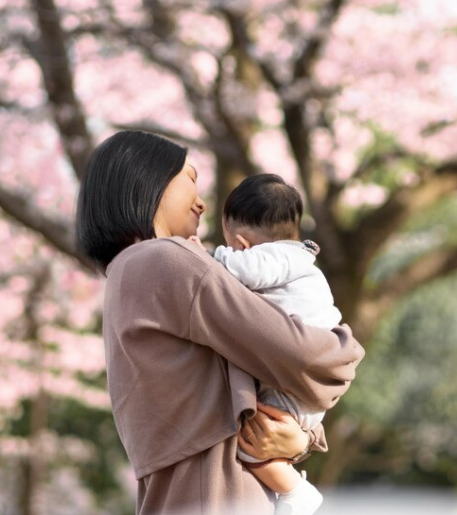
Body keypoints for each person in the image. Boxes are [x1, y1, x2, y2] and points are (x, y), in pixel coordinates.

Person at [75, 131, 364, 515]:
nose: (201, 203)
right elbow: (311, 357)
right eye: (190, 179)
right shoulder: (165, 259)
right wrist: (344, 348)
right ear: (149, 180)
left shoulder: (126, 275)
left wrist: (299, 438)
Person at [194, 173, 343, 515]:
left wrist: (204, 254)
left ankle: (296, 492)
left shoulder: (268, 261)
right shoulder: (300, 260)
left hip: (293, 386)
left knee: (250, 445)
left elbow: (240, 272)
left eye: (232, 246)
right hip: (308, 382)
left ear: (243, 245)